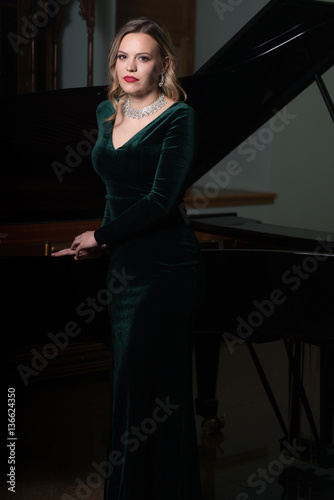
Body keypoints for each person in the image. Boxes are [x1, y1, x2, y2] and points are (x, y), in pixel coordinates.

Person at [52, 17, 203, 500]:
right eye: (123, 56)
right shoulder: (105, 111)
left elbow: (161, 201)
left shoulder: (180, 118)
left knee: (152, 385)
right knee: (127, 383)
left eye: (144, 57)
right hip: (123, 263)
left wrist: (100, 236)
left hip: (165, 265)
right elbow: (115, 194)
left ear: (163, 65)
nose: (131, 66)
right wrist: (98, 243)